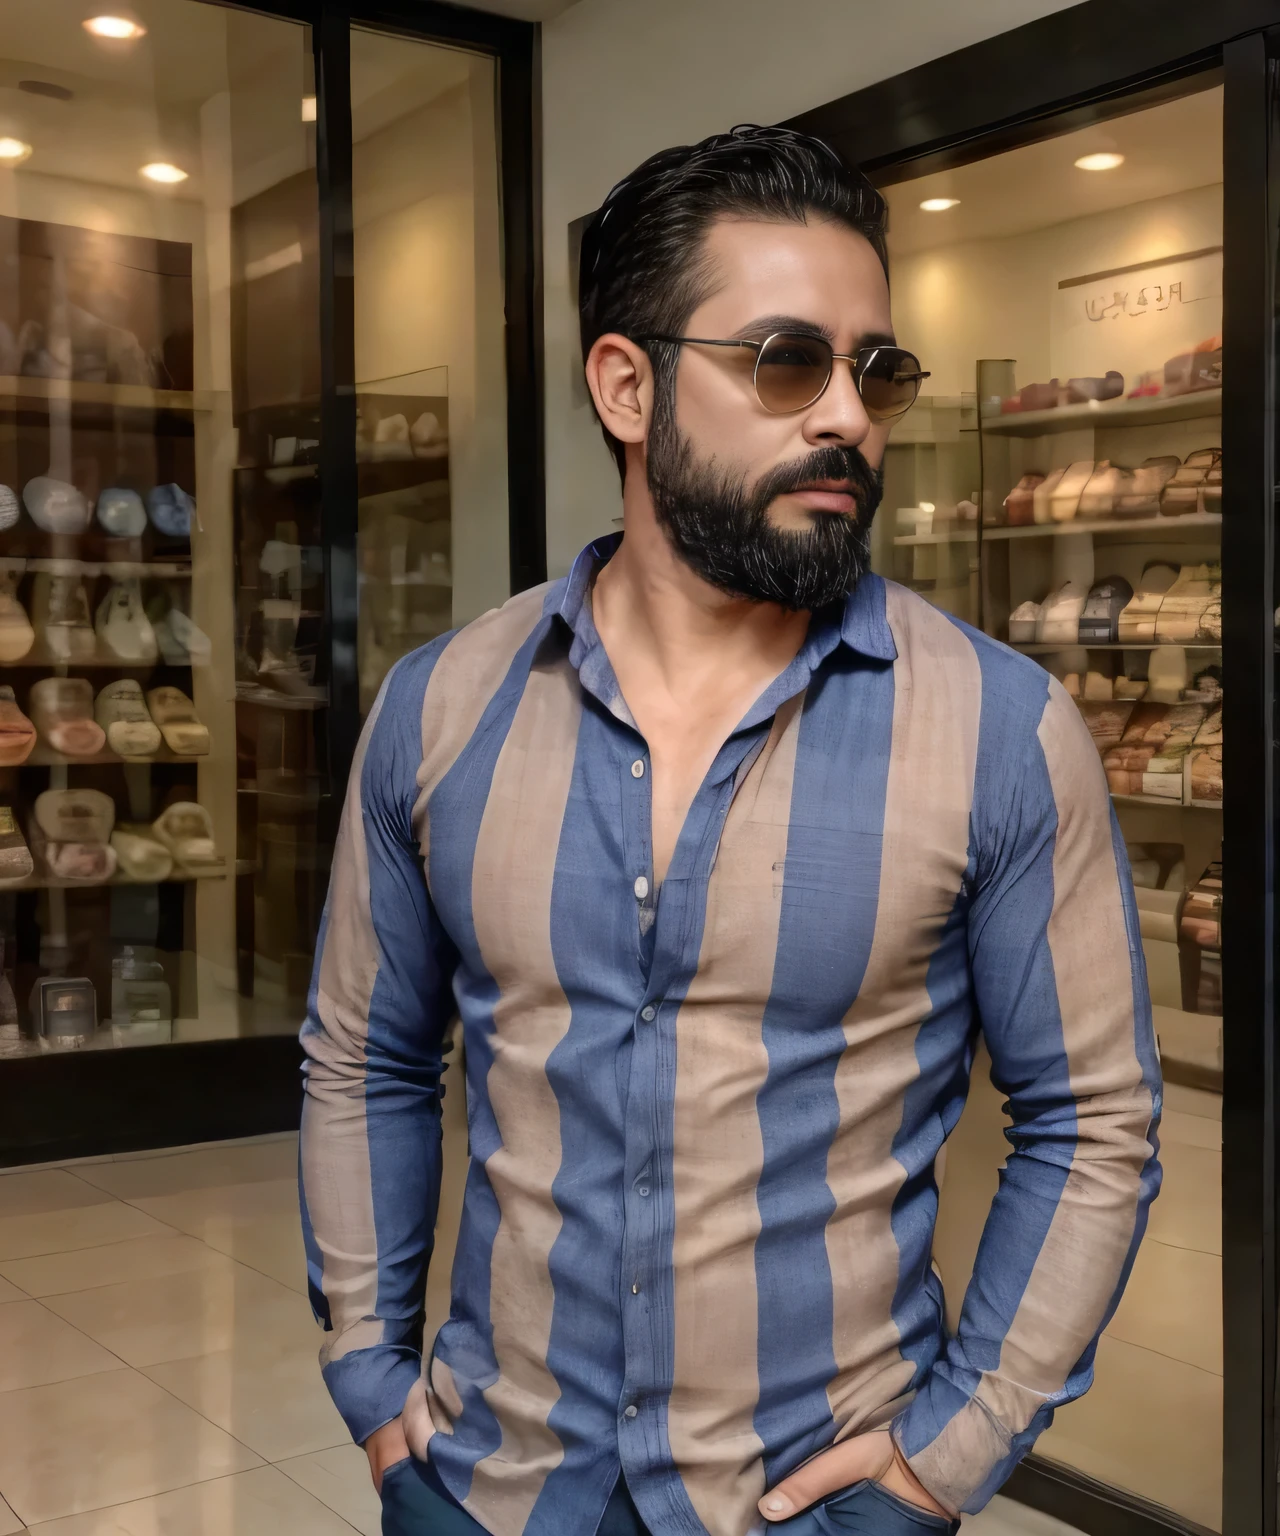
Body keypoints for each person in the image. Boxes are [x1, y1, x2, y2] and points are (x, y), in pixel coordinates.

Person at [299, 124, 1161, 1536]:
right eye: (785, 362)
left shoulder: (1001, 731)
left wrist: (945, 1458)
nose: (850, 418)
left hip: (817, 1505)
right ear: (626, 386)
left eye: (876, 370)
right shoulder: (441, 705)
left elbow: (1094, 1123)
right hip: (490, 1489)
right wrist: (368, 1378)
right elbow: (363, 1056)